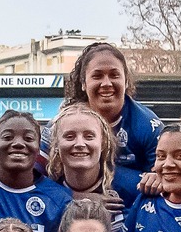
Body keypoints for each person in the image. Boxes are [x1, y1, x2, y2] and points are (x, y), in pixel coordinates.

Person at [61, 43, 162, 200]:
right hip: (72, 209)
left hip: (129, 208)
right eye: (97, 76)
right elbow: (34, 180)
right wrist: (80, 197)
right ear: (83, 83)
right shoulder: (63, 123)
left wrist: (158, 180)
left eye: (114, 75)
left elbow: (168, 183)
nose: (106, 84)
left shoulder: (148, 126)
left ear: (126, 81)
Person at [45, 103, 125, 225]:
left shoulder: (130, 186)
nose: (80, 144)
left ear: (103, 142)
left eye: (89, 136)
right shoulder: (45, 191)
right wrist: (75, 198)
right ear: (56, 144)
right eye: (70, 136)